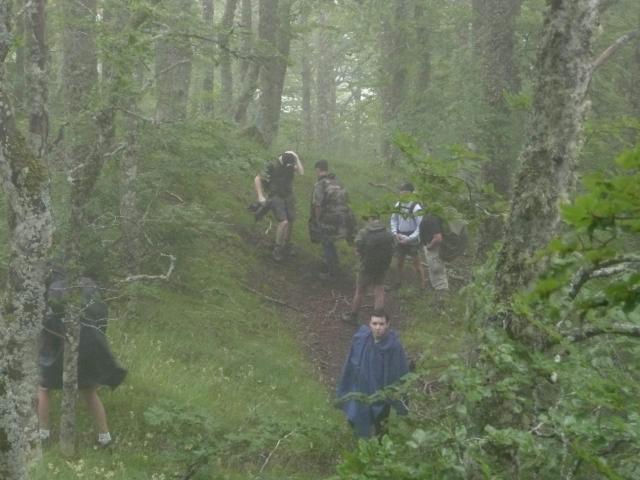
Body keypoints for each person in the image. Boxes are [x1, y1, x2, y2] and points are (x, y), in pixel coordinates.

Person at [37, 270, 127, 447]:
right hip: (89, 347)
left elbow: (49, 325)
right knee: (89, 391)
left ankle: (43, 435)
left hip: (60, 346)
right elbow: (102, 324)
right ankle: (105, 437)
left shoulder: (55, 288)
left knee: (43, 386)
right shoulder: (92, 287)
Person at [336, 310, 409, 438]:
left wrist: (394, 395)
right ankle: (362, 448)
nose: (378, 328)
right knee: (355, 417)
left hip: (381, 393)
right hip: (361, 388)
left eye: (381, 324)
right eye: (374, 323)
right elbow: (352, 362)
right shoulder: (362, 339)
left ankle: (383, 453)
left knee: (381, 427)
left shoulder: (393, 346)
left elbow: (399, 371)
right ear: (369, 324)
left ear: (388, 324)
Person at [342, 215, 394, 325]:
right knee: (379, 290)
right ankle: (379, 317)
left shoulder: (364, 233)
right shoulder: (388, 233)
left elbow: (357, 250)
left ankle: (353, 316)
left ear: (369, 219)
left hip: (366, 268)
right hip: (382, 266)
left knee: (360, 291)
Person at [309, 159, 355, 279]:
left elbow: (317, 205)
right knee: (331, 243)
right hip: (345, 218)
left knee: (327, 243)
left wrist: (318, 220)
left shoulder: (320, 184)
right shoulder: (338, 182)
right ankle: (335, 266)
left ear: (318, 170)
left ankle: (332, 272)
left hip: (329, 219)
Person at [254, 151, 304, 261]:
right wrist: (260, 196)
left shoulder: (290, 162)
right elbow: (258, 178)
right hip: (276, 195)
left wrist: (296, 157)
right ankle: (277, 248)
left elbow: (301, 172)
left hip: (288, 195)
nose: (290, 167)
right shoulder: (272, 166)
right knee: (283, 221)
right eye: (289, 165)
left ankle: (286, 243)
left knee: (291, 220)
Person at [390, 182, 427, 289]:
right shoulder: (398, 205)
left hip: (412, 237)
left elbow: (420, 226)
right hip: (400, 235)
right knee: (399, 261)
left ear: (411, 193)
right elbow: (393, 219)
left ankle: (422, 284)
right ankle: (398, 282)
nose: (403, 195)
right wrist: (395, 233)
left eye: (405, 192)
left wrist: (410, 238)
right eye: (401, 192)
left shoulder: (416, 207)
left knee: (416, 263)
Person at [419, 212, 449, 292]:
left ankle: (443, 298)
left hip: (434, 249)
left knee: (438, 273)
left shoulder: (431, 217)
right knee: (435, 272)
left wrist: (429, 246)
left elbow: (438, 238)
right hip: (433, 248)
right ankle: (439, 295)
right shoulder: (432, 215)